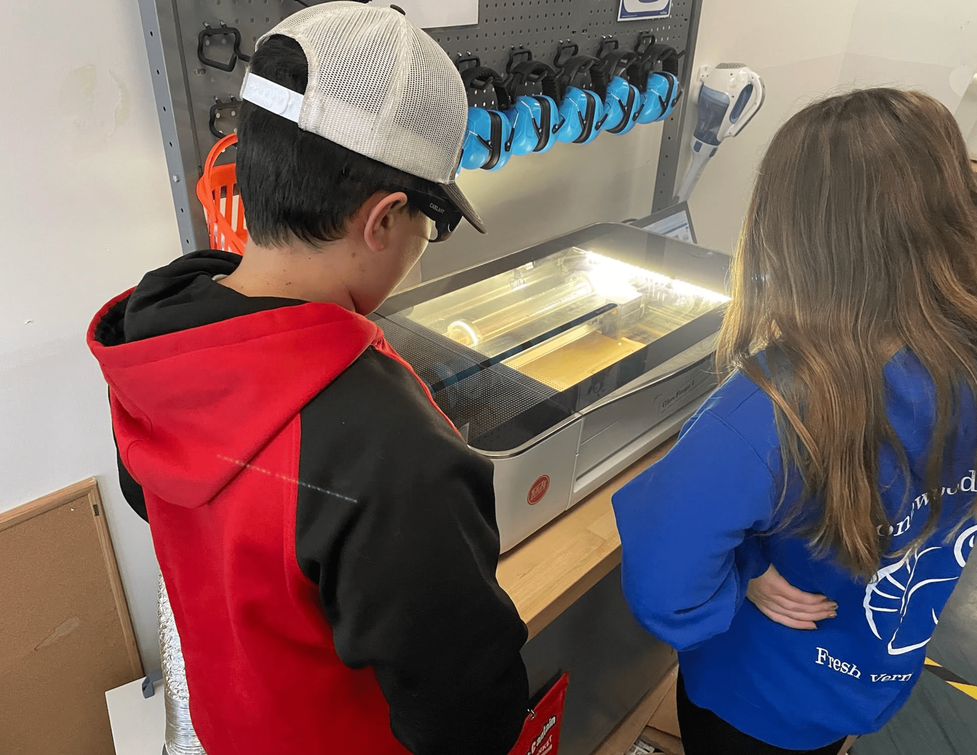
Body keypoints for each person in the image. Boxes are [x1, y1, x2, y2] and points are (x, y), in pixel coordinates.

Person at [87, 4, 529, 754]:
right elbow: (468, 717)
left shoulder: (155, 338)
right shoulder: (394, 453)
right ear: (384, 219)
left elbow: (154, 497)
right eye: (433, 224)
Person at [613, 87, 977, 754]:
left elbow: (667, 578)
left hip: (752, 702)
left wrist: (746, 571)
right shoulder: (964, 358)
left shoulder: (768, 409)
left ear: (793, 233)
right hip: (865, 681)